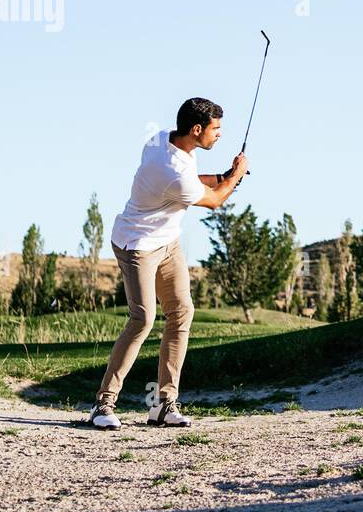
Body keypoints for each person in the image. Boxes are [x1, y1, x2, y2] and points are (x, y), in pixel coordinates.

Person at [88, 97, 246, 430]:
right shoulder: (172, 172)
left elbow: (193, 179)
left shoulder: (162, 139)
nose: (220, 135)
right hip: (137, 245)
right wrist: (236, 177)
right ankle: (103, 404)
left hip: (167, 242)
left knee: (181, 311)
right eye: (216, 130)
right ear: (197, 129)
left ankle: (163, 405)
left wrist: (223, 175)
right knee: (142, 318)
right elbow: (215, 201)